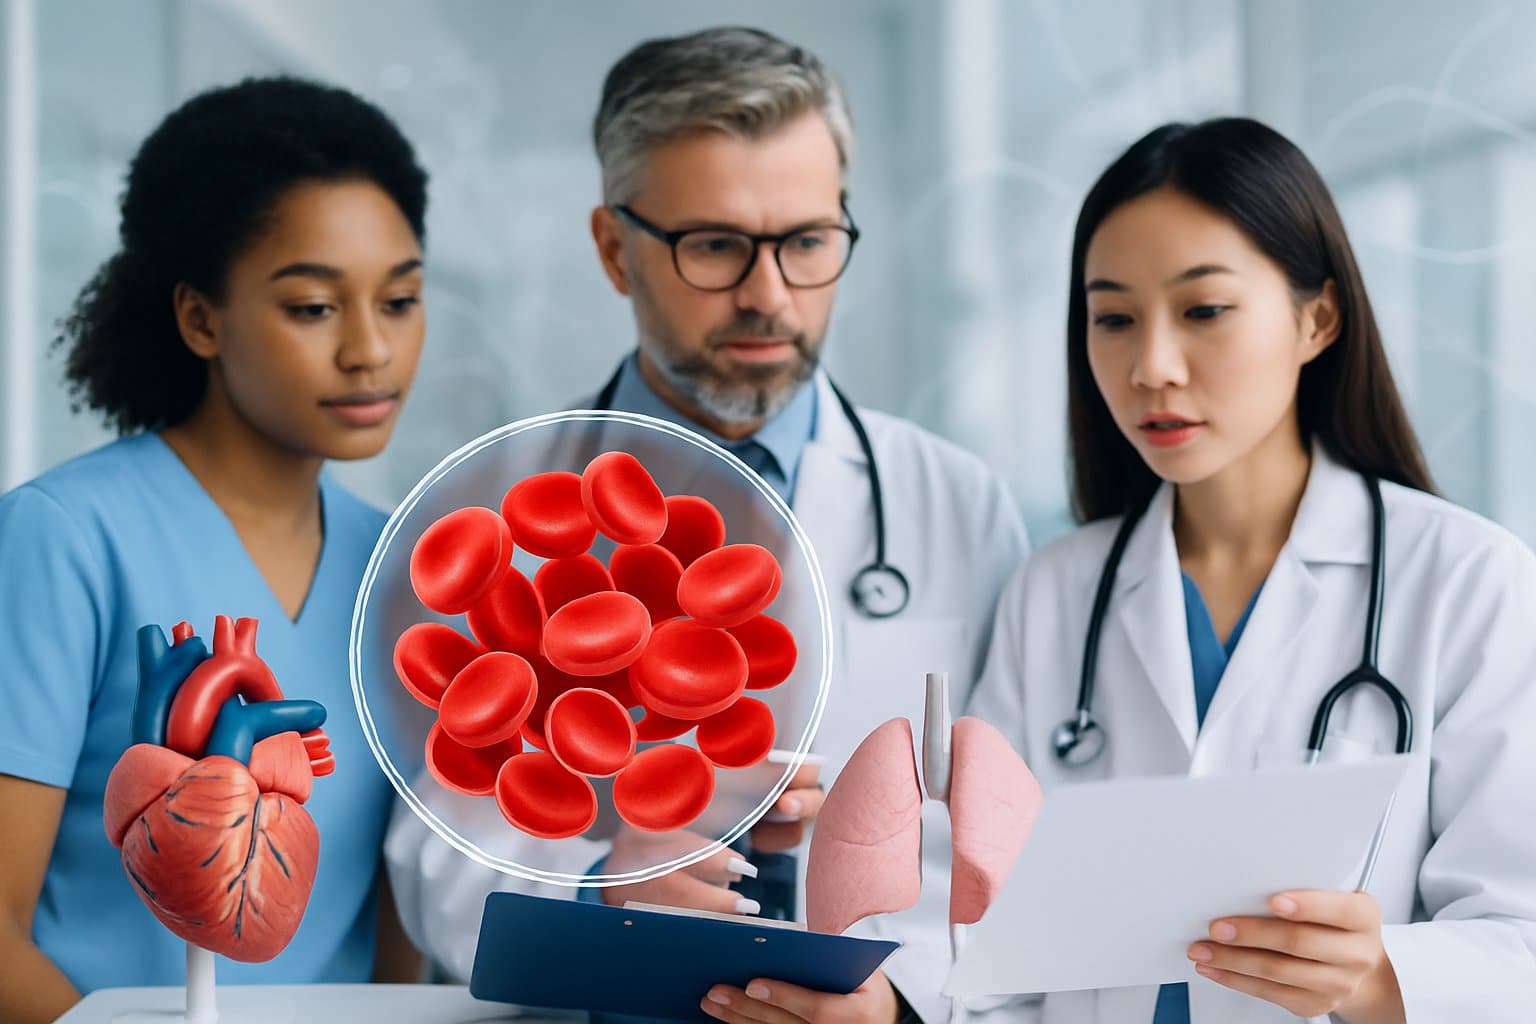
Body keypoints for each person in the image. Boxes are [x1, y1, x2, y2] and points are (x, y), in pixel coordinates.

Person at [385, 26, 1029, 1024]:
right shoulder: (492, 513)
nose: (769, 295)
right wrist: (597, 891)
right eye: (717, 246)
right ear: (613, 249)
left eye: (808, 242)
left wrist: (898, 1001)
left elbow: (1004, 827)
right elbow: (437, 845)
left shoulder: (956, 502)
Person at [968, 117, 1536, 1023]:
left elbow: (1523, 944)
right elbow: (982, 944)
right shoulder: (1054, 595)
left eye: (1204, 311)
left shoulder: (1470, 584)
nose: (1151, 365)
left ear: (1318, 319)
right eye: (1113, 318)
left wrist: (1376, 974)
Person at [0, 76, 431, 1024]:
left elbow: (401, 930)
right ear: (201, 318)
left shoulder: (405, 571)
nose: (371, 350)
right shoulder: (61, 539)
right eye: (314, 308)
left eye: (399, 300)